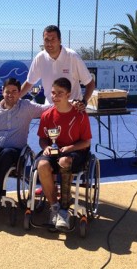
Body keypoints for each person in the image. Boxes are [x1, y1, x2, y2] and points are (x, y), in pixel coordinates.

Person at [0, 77, 51, 210]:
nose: (10, 94)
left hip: (15, 150)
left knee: (7, 153)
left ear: (20, 93)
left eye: (14, 91)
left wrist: (72, 102)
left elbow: (47, 108)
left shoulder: (27, 106)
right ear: (2, 91)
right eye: (7, 91)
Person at [36, 77, 92, 232]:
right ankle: (54, 207)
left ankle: (65, 209)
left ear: (68, 95)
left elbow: (86, 142)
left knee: (64, 162)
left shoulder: (80, 114)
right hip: (54, 151)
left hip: (75, 152)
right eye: (53, 93)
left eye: (60, 93)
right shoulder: (47, 115)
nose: (55, 96)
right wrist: (46, 147)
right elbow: (42, 138)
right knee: (42, 165)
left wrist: (69, 148)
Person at [20, 25, 95, 110]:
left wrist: (84, 102)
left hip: (73, 110)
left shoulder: (72, 56)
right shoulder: (40, 58)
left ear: (60, 40)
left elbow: (90, 83)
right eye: (46, 40)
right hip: (50, 110)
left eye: (53, 39)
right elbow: (29, 83)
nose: (49, 43)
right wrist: (13, 100)